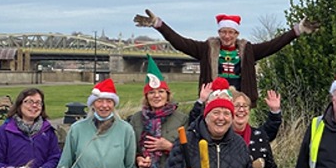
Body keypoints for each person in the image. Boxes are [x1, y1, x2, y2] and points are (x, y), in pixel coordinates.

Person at [133, 10, 318, 102]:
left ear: (237, 34)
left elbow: (273, 45)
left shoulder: (247, 51)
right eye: (223, 32)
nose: (227, 36)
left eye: (231, 32)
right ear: (219, 32)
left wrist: (296, 31)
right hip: (213, 100)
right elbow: (180, 42)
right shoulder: (207, 49)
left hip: (239, 101)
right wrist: (159, 25)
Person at [231, 87, 282, 168]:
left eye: (245, 106)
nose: (242, 110)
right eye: (237, 106)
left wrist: (275, 112)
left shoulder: (258, 135)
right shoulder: (222, 137)